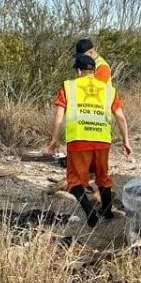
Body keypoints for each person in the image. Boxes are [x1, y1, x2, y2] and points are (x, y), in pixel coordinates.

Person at [47, 54, 131, 227]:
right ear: (93, 70)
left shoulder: (68, 86)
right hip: (102, 140)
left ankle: (90, 212)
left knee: (75, 180)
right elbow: (121, 118)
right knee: (103, 177)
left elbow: (58, 116)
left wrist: (54, 139)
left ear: (78, 71)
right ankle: (107, 212)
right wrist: (126, 141)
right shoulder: (109, 90)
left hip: (78, 140)